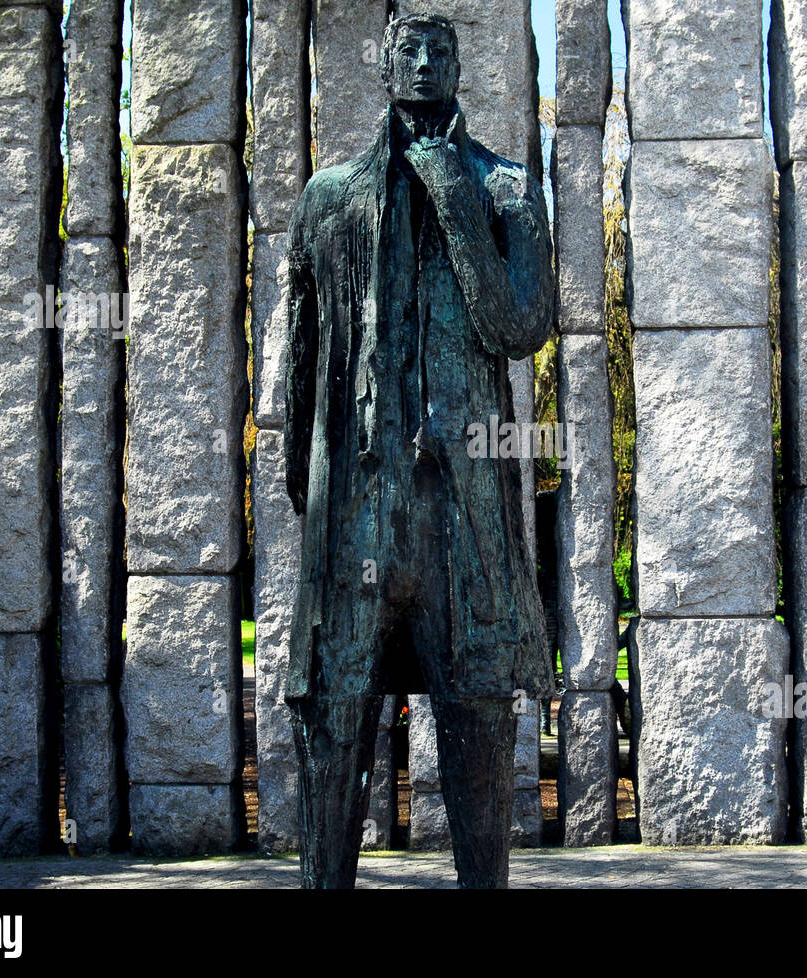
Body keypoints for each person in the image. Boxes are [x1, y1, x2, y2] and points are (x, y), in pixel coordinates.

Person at [283, 13, 555, 888]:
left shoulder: (505, 184)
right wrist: (308, 492)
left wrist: (458, 205)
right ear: (388, 62)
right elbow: (301, 354)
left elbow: (520, 326)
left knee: (478, 715)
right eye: (412, 48)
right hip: (357, 506)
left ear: (462, 63)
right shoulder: (328, 196)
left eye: (442, 49)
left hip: (462, 509)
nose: (428, 63)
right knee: (334, 713)